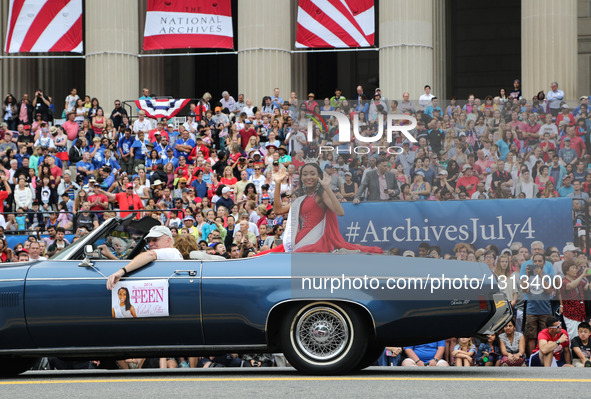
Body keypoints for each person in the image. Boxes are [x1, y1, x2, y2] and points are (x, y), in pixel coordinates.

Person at [265, 165, 382, 254]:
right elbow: (278, 210)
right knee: (266, 254)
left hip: (315, 240)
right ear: (301, 178)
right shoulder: (301, 199)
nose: (308, 177)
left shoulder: (321, 195)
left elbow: (340, 212)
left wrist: (327, 187)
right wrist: (278, 183)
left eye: (312, 174)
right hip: (299, 239)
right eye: (305, 174)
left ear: (319, 177)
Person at [106, 226, 183, 290]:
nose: (150, 244)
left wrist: (122, 271)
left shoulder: (171, 252)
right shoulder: (169, 253)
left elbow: (150, 255)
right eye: (149, 241)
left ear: (168, 240)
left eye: (155, 240)